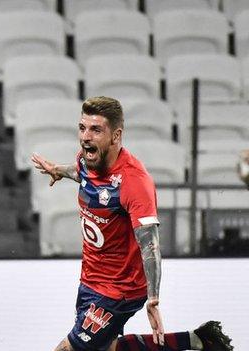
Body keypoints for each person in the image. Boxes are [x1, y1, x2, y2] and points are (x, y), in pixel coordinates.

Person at [31, 96, 234, 351]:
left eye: (96, 130)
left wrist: (154, 300)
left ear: (116, 136)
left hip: (120, 290)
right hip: (91, 279)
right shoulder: (86, 159)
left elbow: (150, 246)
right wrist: (59, 170)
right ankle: (198, 340)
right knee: (106, 348)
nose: (85, 137)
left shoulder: (134, 182)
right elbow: (81, 172)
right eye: (82, 128)